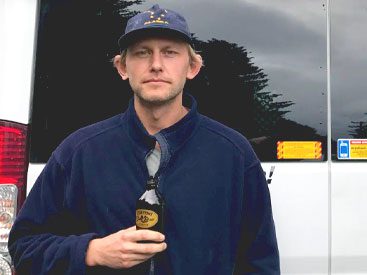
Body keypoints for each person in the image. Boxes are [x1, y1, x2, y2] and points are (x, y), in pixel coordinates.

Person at [9, 4, 280, 275]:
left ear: (193, 66)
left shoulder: (233, 154)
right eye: (142, 53)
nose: (156, 65)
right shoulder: (79, 152)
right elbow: (24, 246)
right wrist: (91, 251)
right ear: (122, 67)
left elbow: (260, 262)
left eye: (170, 52)